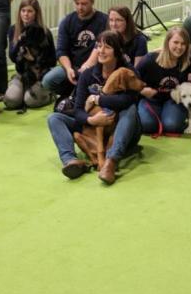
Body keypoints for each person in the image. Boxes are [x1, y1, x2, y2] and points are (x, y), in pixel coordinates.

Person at [47, 30, 142, 185]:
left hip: (121, 129)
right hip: (93, 126)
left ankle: (111, 160)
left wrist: (98, 99)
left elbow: (129, 99)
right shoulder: (88, 75)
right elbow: (78, 110)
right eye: (99, 46)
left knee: (130, 109)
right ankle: (70, 160)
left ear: (118, 51)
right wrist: (92, 120)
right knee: (54, 118)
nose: (101, 51)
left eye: (107, 47)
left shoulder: (128, 71)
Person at [43, 0, 109, 99]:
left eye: (84, 4)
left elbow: (102, 48)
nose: (80, 7)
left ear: (92, 1)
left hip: (97, 66)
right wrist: (68, 69)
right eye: (77, 3)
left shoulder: (103, 20)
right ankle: (73, 93)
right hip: (73, 65)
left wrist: (87, 66)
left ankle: (79, 94)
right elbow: (61, 51)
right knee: (48, 81)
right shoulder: (67, 22)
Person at [135, 26, 191, 134]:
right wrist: (141, 91)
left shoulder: (187, 62)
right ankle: (160, 115)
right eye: (175, 42)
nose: (179, 47)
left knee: (172, 126)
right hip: (151, 99)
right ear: (167, 42)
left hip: (174, 100)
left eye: (183, 43)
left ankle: (170, 116)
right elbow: (132, 81)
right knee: (147, 125)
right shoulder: (149, 59)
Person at [4, 0, 56, 112]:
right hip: (22, 73)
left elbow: (52, 61)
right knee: (11, 101)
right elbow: (12, 57)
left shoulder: (44, 32)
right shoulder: (14, 29)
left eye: (30, 11)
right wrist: (18, 42)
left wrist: (33, 59)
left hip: (39, 74)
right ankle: (19, 87)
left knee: (30, 101)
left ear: (36, 13)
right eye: (23, 11)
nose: (26, 14)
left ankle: (50, 93)